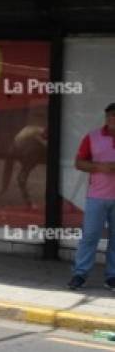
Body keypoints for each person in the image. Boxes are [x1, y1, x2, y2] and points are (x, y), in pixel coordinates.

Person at [68, 103, 115, 291]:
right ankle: (80, 274)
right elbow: (79, 163)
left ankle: (112, 277)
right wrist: (99, 167)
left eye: (114, 116)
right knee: (89, 236)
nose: (112, 119)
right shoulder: (92, 137)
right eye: (109, 115)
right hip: (96, 196)